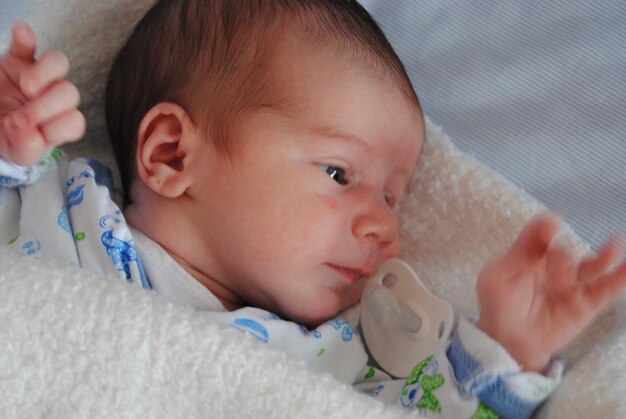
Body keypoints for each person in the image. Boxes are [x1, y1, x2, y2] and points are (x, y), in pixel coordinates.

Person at [1, 1, 625, 417]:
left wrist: (510, 347)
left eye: (392, 196)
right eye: (338, 173)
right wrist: (10, 136)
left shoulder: (341, 357)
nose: (383, 223)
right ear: (170, 154)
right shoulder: (63, 207)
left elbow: (441, 405)